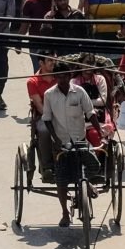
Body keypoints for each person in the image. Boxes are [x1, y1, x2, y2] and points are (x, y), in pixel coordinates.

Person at [40, 65, 100, 227]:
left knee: (94, 165)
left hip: (80, 140)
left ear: (70, 75)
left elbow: (90, 113)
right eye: (59, 76)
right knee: (61, 180)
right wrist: (55, 138)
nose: (63, 79)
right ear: (55, 77)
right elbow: (46, 118)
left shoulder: (80, 92)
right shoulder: (49, 95)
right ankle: (65, 213)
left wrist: (101, 132)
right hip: (61, 144)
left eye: (66, 76)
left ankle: (86, 182)